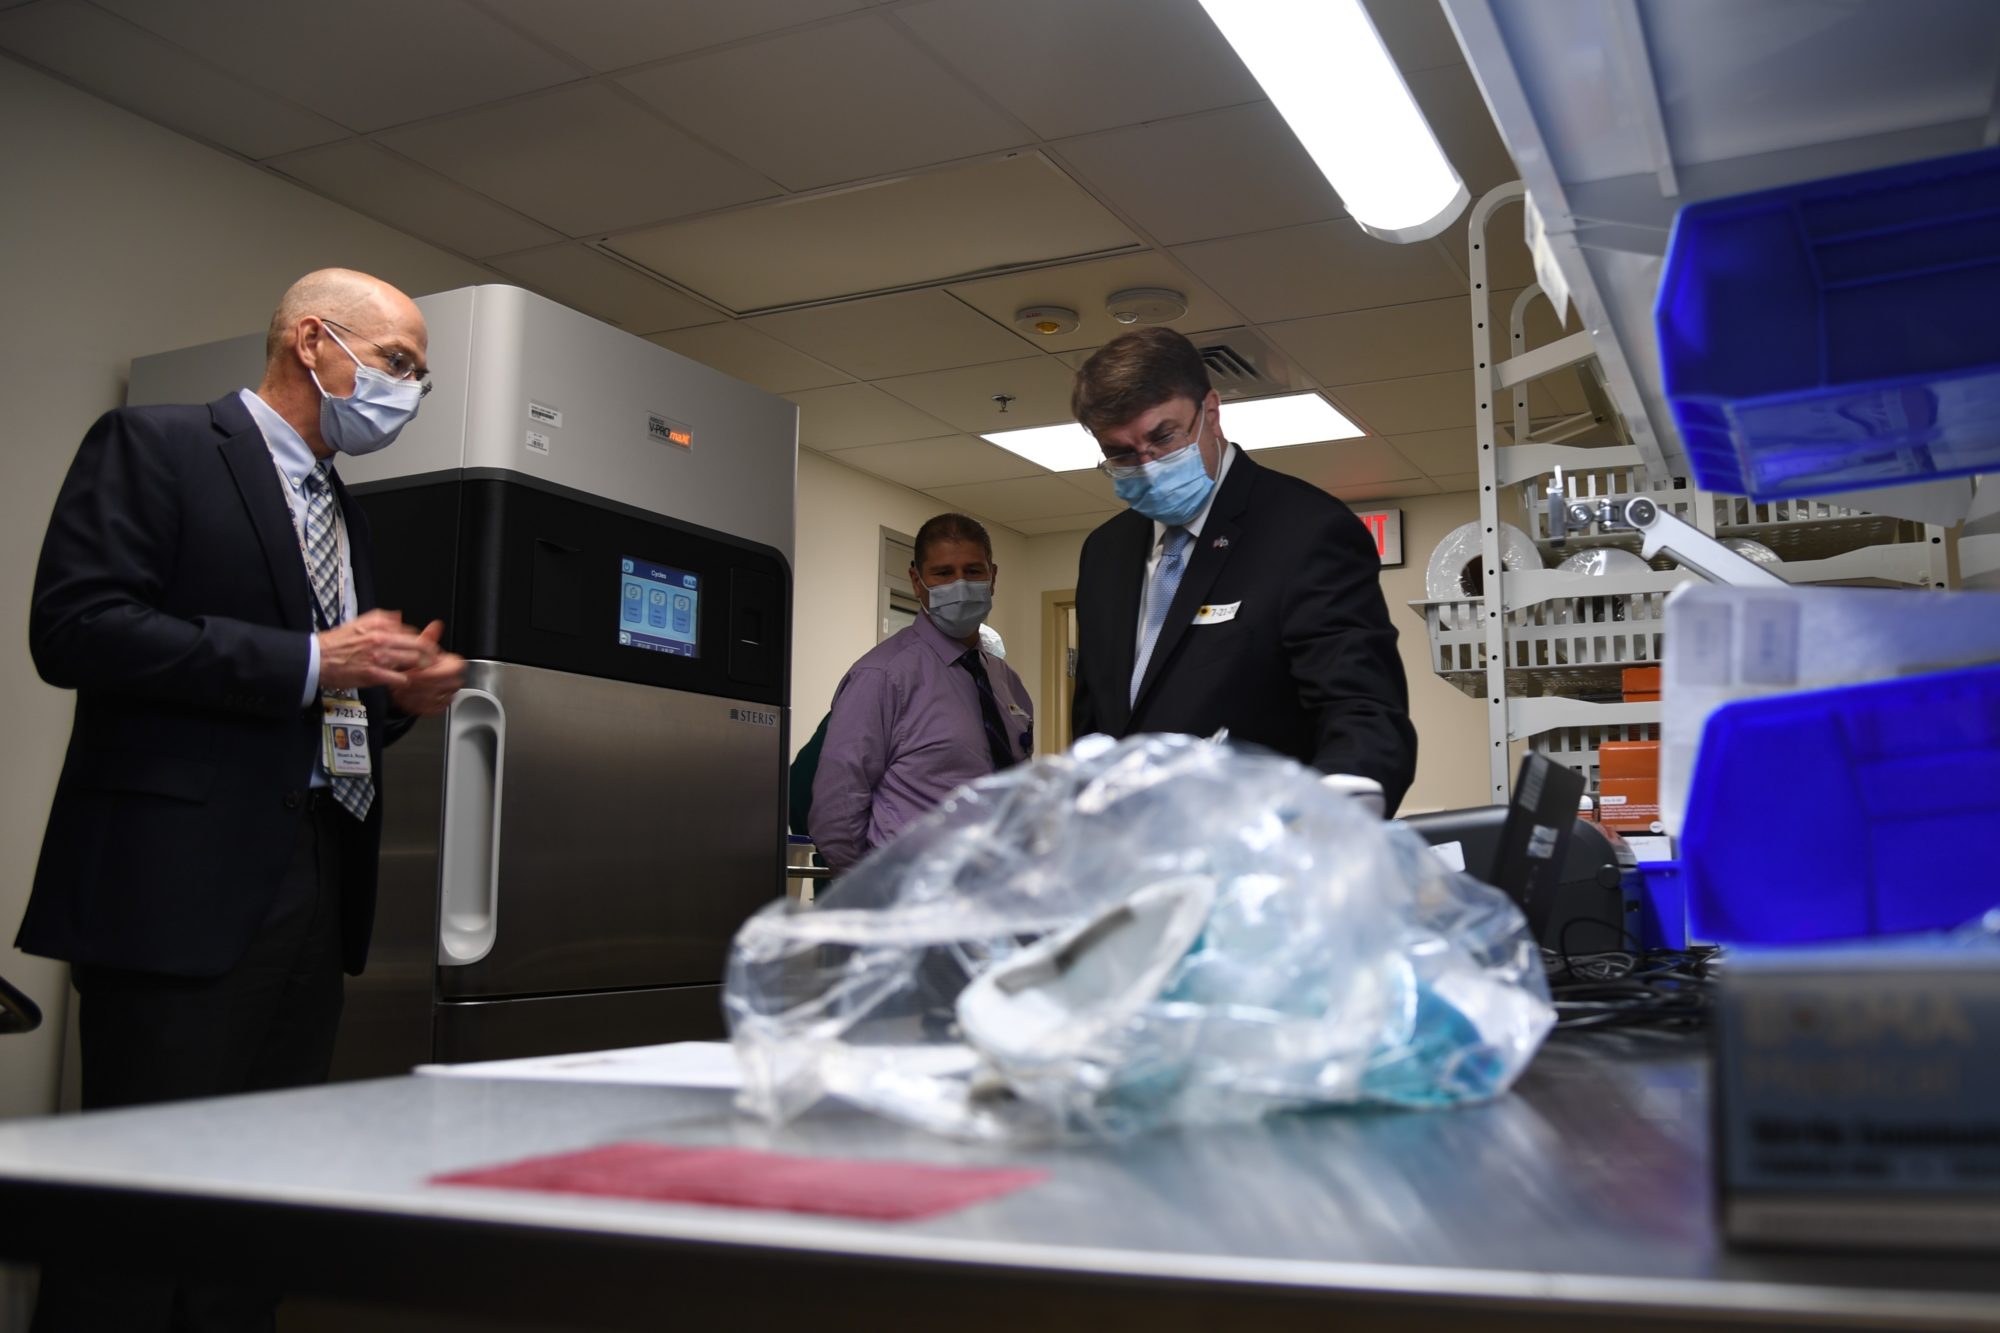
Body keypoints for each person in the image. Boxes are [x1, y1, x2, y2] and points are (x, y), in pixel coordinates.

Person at [18, 267, 465, 1332]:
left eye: (418, 375)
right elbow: (76, 628)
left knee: (254, 1210)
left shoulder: (338, 506)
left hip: (315, 882)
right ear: (314, 342)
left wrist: (394, 696)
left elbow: (319, 700)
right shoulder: (157, 447)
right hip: (176, 893)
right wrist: (313, 657)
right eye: (397, 363)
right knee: (135, 1219)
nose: (406, 389)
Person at [1068, 328, 1417, 813]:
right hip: (1133, 864)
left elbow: (1361, 714)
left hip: (1264, 855)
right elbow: (1094, 726)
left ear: (1210, 412)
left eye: (1163, 438)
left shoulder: (1306, 531)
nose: (1146, 467)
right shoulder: (1104, 552)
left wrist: (1331, 826)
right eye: (1121, 454)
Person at [809, 513, 1032, 873]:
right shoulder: (881, 677)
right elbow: (838, 809)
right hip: (910, 902)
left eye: (973, 571)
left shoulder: (1007, 683)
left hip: (994, 898)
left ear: (992, 577)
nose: (959, 584)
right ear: (916, 581)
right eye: (943, 574)